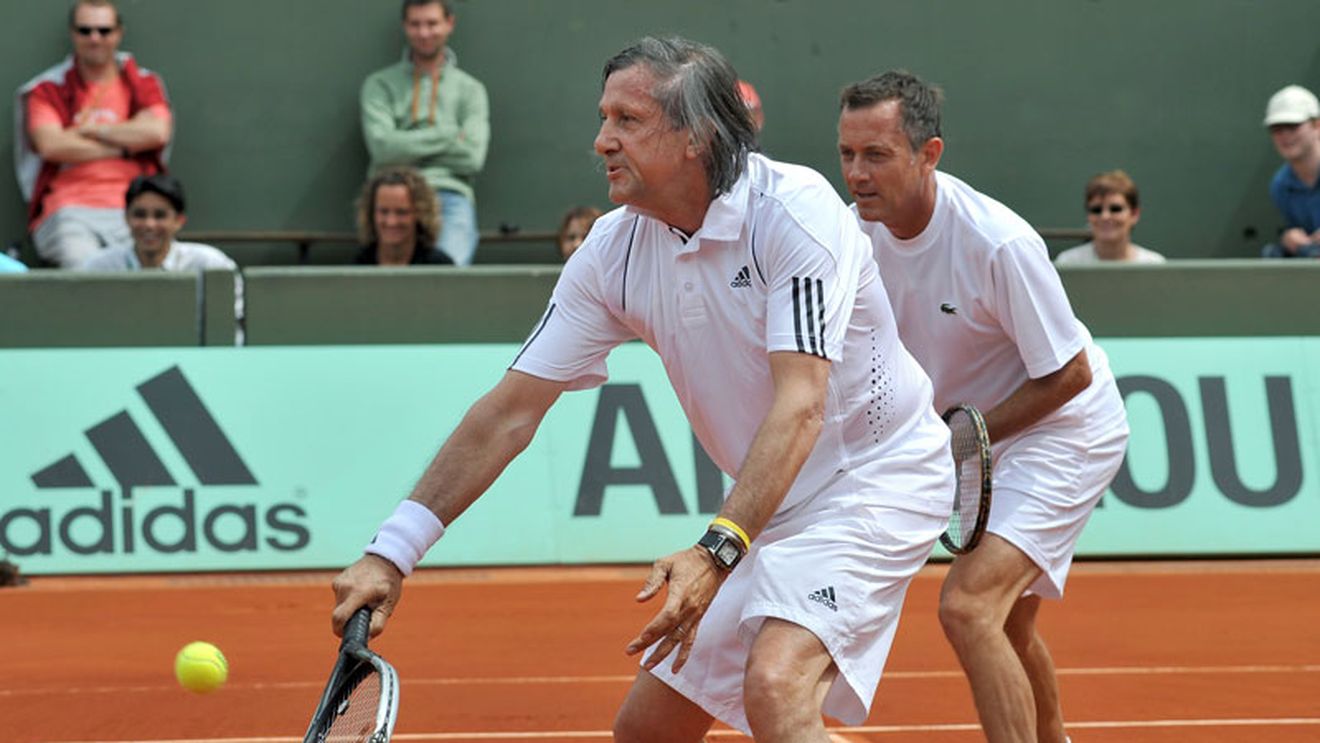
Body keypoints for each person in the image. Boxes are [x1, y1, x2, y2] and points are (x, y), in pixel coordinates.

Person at [331, 36, 955, 742]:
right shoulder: (612, 252)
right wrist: (392, 551)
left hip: (877, 478)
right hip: (772, 505)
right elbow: (509, 412)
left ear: (697, 136)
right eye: (604, 118)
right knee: (646, 733)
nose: (602, 141)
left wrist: (714, 550)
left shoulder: (795, 212)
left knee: (776, 689)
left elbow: (802, 403)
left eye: (628, 120)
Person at [838, 70, 1129, 743]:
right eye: (847, 154)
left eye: (876, 155)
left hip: (1065, 428)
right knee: (1009, 619)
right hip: (981, 433)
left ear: (928, 153)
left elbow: (1070, 373)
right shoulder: (850, 238)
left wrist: (962, 437)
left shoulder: (997, 242)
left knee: (968, 606)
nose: (857, 173)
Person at [14, 0, 172, 268]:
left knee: (142, 278)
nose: (95, 39)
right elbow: (51, 145)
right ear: (73, 34)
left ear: (119, 32)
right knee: (89, 280)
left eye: (104, 30)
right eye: (85, 30)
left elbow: (157, 132)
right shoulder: (48, 88)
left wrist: (90, 131)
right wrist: (125, 144)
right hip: (69, 211)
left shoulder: (142, 83)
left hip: (135, 212)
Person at [360, 0, 490, 266]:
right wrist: (447, 135)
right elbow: (383, 150)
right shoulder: (379, 85)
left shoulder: (470, 90)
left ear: (449, 24)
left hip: (449, 195)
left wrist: (404, 144)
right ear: (404, 26)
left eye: (431, 23)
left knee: (445, 278)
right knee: (382, 282)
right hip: (389, 195)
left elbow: (472, 158)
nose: (424, 32)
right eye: (415, 24)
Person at [81, 174, 235, 272]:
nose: (149, 224)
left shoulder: (210, 264)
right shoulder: (98, 268)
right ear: (126, 218)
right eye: (140, 215)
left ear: (179, 221)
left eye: (160, 215)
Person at [1054, 170, 1165, 265]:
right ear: (1088, 215)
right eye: (1096, 210)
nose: (1105, 216)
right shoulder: (1068, 262)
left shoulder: (1153, 264)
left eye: (1115, 209)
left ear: (1134, 214)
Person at [1260, 84, 1320, 258]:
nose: (1285, 136)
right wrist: (1291, 239)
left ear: (1317, 126)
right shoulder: (1280, 185)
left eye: (1293, 126)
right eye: (1276, 129)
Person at [354, 167, 446, 265]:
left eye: (401, 212)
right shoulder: (359, 264)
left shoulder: (440, 266)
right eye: (383, 211)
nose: (391, 222)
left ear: (420, 213)